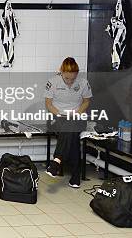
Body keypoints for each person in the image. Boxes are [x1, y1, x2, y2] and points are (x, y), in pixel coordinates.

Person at [44, 57, 92, 188]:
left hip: (77, 117)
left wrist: (77, 113)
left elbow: (87, 101)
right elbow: (48, 104)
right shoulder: (52, 82)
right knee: (72, 135)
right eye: (67, 79)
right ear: (61, 72)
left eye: (73, 79)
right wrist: (61, 114)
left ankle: (57, 161)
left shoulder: (83, 83)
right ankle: (75, 177)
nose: (70, 82)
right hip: (57, 117)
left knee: (71, 127)